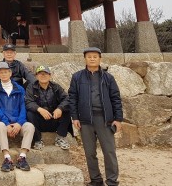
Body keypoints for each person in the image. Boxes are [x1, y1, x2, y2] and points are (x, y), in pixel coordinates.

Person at [68, 47, 123, 186]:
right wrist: (75, 117)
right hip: (85, 120)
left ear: (100, 59)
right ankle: (96, 180)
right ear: (85, 59)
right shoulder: (77, 77)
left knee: (109, 151)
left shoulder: (108, 78)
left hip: (105, 119)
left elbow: (116, 98)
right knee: (90, 152)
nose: (92, 59)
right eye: (89, 56)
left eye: (95, 56)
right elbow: (72, 98)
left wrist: (118, 119)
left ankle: (112, 181)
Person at [0, 61, 35, 172]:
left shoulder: (19, 89)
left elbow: (23, 107)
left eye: (6, 72)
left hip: (18, 123)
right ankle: (7, 158)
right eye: (1, 72)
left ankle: (22, 157)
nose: (4, 74)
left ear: (10, 73)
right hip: (4, 123)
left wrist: (19, 123)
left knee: (30, 126)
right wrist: (6, 123)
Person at [25, 65, 72, 150]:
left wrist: (60, 108)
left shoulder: (56, 87)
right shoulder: (31, 87)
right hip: (39, 121)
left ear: (50, 75)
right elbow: (28, 102)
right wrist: (39, 109)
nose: (43, 76)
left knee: (66, 110)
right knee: (29, 114)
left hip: (54, 119)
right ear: (36, 76)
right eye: (40, 74)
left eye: (45, 74)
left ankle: (60, 138)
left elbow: (67, 99)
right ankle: (37, 140)